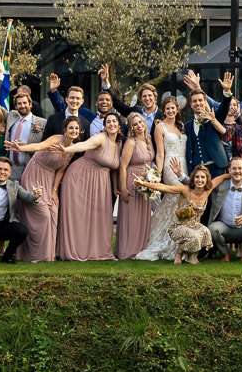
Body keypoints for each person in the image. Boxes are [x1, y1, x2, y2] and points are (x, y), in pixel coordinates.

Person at [15, 119, 93, 262]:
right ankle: (33, 255)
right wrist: (20, 148)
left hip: (49, 179)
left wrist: (54, 191)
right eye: (71, 128)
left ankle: (48, 255)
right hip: (35, 175)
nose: (74, 131)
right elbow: (39, 146)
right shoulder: (57, 139)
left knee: (53, 213)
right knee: (43, 214)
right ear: (65, 129)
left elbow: (61, 170)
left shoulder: (72, 148)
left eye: (76, 128)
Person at [58, 110, 124, 261]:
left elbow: (113, 167)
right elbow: (83, 145)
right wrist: (66, 149)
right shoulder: (100, 138)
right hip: (80, 177)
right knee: (79, 216)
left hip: (101, 182)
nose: (111, 124)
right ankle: (75, 251)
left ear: (119, 125)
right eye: (108, 122)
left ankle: (98, 251)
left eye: (114, 121)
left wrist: (115, 186)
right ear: (105, 126)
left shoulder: (119, 143)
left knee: (100, 217)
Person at [137, 163, 224, 264]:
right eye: (197, 177)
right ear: (193, 179)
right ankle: (180, 253)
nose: (200, 180)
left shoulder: (207, 191)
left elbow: (222, 177)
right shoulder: (185, 190)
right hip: (178, 226)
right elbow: (164, 187)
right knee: (194, 236)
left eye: (202, 177)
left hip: (195, 225)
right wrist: (143, 184)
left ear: (206, 180)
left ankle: (192, 256)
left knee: (206, 232)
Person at [134, 96, 188, 261]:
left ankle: (181, 240)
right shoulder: (160, 127)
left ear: (177, 109)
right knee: (174, 199)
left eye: (173, 108)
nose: (171, 111)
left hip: (183, 166)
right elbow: (159, 153)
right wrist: (158, 174)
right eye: (168, 109)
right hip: (169, 167)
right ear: (163, 111)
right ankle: (169, 242)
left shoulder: (181, 126)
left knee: (184, 202)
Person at [115, 111, 156, 259]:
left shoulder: (149, 139)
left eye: (140, 122)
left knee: (143, 216)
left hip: (145, 182)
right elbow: (123, 166)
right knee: (131, 216)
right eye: (135, 124)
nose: (139, 126)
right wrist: (123, 188)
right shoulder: (131, 142)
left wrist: (151, 179)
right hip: (132, 180)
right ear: (131, 128)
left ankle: (141, 248)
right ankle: (127, 250)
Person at [183, 90, 230, 174]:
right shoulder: (188, 125)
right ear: (190, 104)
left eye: (200, 100)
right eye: (194, 101)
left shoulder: (214, 116)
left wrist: (226, 92)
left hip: (216, 168)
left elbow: (224, 108)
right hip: (197, 170)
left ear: (205, 102)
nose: (198, 103)